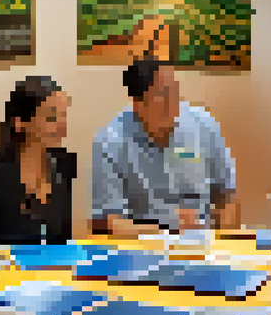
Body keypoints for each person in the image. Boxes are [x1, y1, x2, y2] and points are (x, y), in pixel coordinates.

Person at [91, 58, 238, 236]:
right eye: (163, 94)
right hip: (142, 248)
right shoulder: (110, 143)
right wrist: (167, 229)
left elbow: (226, 195)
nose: (174, 101)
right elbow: (111, 222)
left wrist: (226, 244)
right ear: (138, 103)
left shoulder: (204, 126)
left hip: (202, 243)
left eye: (175, 91)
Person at [0, 76, 77, 250]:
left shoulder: (64, 165)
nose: (62, 126)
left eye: (63, 115)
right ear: (20, 123)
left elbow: (63, 241)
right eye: (51, 118)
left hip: (55, 272)